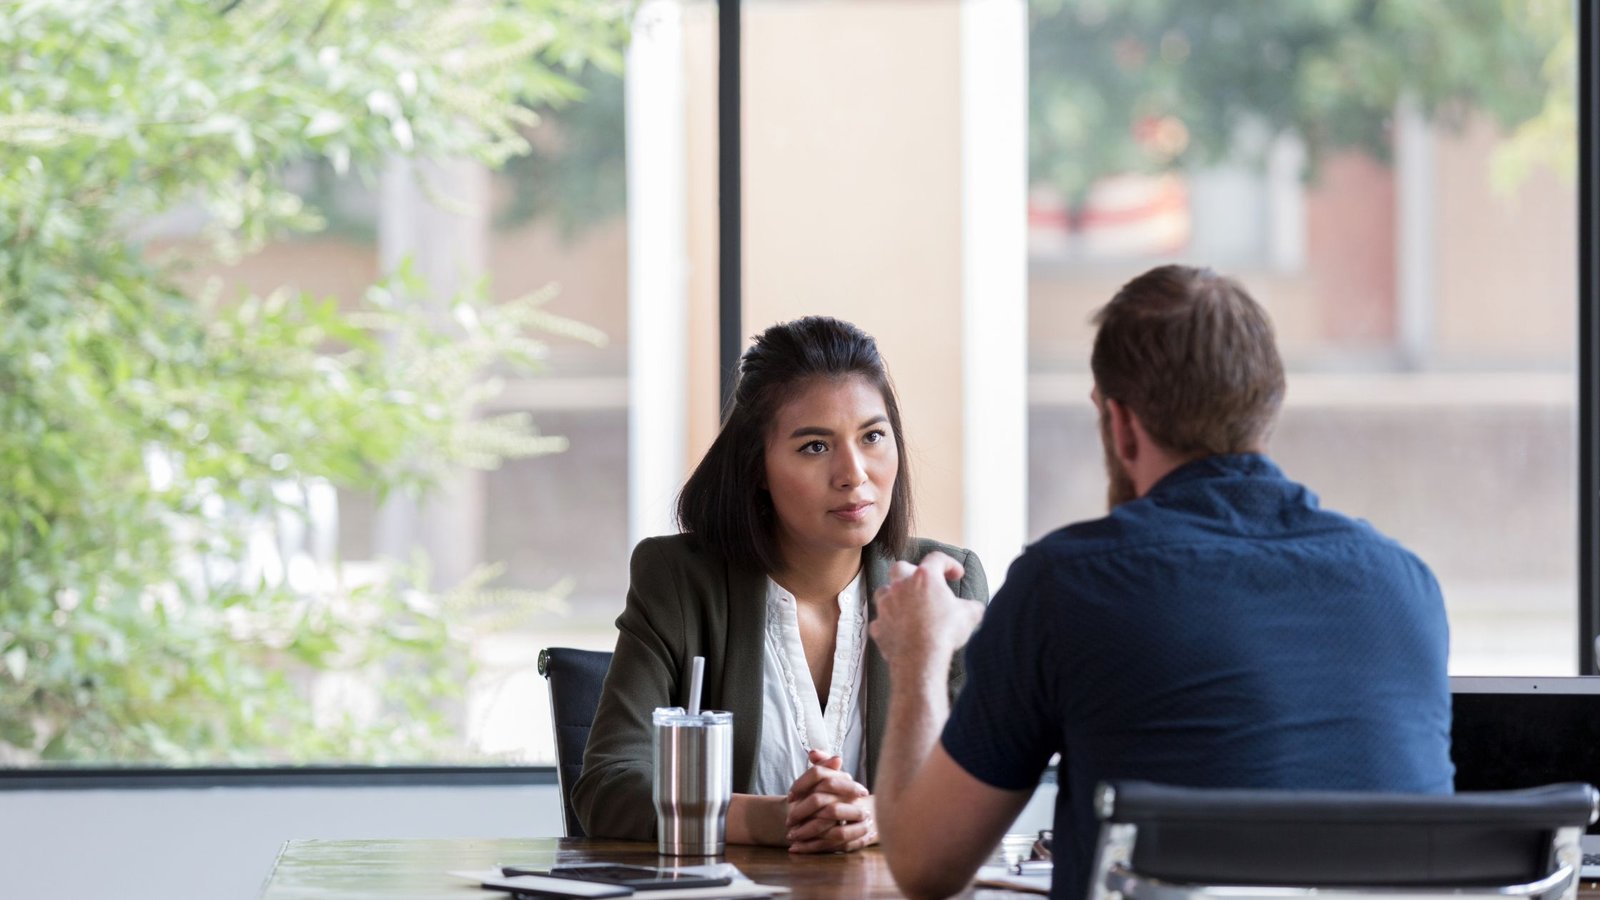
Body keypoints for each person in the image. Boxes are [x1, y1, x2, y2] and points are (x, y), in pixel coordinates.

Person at [869, 265, 1453, 900]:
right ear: (1265, 409)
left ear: (1120, 424)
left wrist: (921, 652)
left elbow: (925, 868)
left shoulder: (1066, 588)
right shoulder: (1407, 588)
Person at [573, 315, 988, 854]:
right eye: (815, 446)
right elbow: (608, 786)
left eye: (873, 436)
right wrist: (770, 820)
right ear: (757, 467)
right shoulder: (677, 579)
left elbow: (983, 781)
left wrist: (883, 815)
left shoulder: (944, 583)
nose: (854, 473)